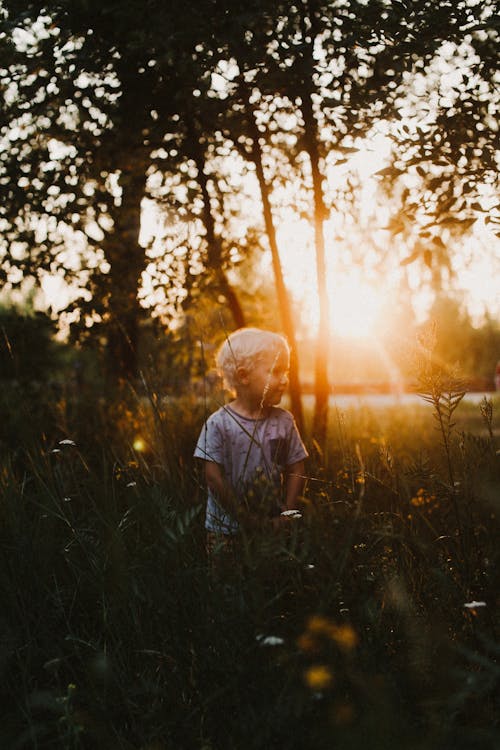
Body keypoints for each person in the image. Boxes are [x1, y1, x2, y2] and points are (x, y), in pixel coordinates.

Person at [194, 328, 308, 556]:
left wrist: (287, 513)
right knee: (227, 584)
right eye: (275, 371)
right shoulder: (219, 423)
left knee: (269, 582)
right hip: (225, 530)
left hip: (271, 527)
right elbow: (212, 476)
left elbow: (297, 466)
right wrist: (244, 517)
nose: (285, 379)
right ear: (244, 375)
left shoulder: (284, 421)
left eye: (286, 371)